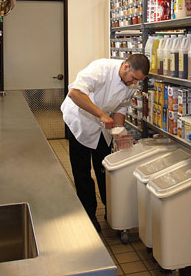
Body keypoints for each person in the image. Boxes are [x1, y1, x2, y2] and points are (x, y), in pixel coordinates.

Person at [61, 54, 149, 232]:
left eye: (138, 80)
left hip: (102, 126)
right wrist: (101, 115)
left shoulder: (132, 82)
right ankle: (89, 215)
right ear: (125, 67)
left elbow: (121, 107)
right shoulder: (100, 69)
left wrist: (120, 132)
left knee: (105, 169)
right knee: (82, 171)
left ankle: (112, 213)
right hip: (80, 121)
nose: (134, 83)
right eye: (133, 78)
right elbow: (75, 93)